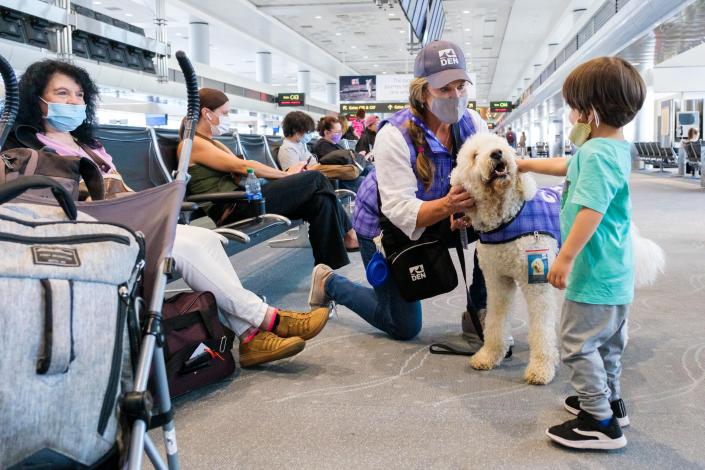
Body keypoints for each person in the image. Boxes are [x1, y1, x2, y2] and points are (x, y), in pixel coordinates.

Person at [7, 59, 331, 368]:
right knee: (186, 246)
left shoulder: (90, 145)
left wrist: (154, 203)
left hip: (128, 218)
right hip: (94, 231)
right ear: (37, 100)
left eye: (79, 94)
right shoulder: (28, 147)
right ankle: (267, 320)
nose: (74, 101)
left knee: (206, 238)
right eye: (62, 93)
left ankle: (250, 336)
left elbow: (121, 193)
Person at [307, 40, 489, 341]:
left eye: (461, 86)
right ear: (422, 90)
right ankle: (330, 283)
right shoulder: (394, 134)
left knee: (500, 220)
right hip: (385, 226)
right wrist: (449, 206)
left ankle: (478, 309)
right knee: (403, 326)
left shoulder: (472, 123)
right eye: (444, 89)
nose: (455, 96)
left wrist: (468, 211)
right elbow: (400, 209)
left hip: (441, 212)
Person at [517, 56, 645, 450]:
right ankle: (611, 401)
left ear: (589, 112)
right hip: (615, 271)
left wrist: (566, 257)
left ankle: (599, 421)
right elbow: (567, 166)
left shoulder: (593, 155)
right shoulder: (613, 148)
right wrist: (523, 163)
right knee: (607, 343)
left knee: (576, 344)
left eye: (573, 107)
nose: (570, 115)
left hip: (590, 271)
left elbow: (591, 209)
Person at [178, 88, 359, 266]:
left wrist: (286, 177)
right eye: (224, 113)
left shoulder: (213, 143)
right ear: (207, 113)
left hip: (246, 199)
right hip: (234, 207)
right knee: (315, 178)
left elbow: (240, 170)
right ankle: (350, 234)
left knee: (321, 201)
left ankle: (326, 273)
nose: (227, 118)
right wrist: (285, 175)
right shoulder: (193, 144)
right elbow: (243, 166)